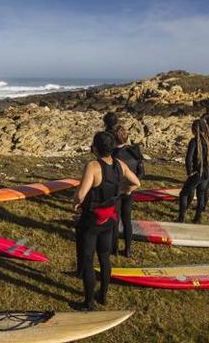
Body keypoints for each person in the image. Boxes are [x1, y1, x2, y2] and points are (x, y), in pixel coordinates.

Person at [72, 131, 140, 311]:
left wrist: (76, 202)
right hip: (109, 218)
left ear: (94, 147)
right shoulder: (120, 164)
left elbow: (80, 194)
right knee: (104, 258)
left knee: (87, 260)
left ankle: (88, 303)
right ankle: (102, 295)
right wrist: (123, 192)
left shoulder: (93, 166)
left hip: (92, 220)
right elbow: (136, 183)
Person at [111, 125, 144, 257]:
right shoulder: (134, 152)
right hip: (130, 189)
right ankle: (128, 249)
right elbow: (142, 173)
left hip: (116, 190)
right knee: (127, 220)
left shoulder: (112, 154)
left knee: (115, 220)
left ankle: (114, 248)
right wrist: (131, 185)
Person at [177, 119, 209, 224]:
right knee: (201, 195)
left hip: (198, 172)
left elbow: (188, 159)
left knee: (183, 194)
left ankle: (181, 218)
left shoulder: (194, 142)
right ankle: (197, 218)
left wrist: (189, 172)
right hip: (208, 172)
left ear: (195, 129)